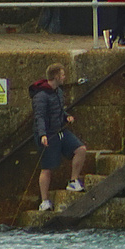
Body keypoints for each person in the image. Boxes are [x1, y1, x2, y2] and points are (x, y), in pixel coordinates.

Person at [31, 62, 88, 210]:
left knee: (80, 149)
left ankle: (73, 181)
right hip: (48, 135)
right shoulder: (41, 96)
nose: (64, 77)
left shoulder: (58, 92)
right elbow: (40, 117)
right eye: (62, 75)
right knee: (47, 168)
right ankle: (44, 201)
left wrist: (66, 117)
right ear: (56, 76)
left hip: (60, 131)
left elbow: (59, 111)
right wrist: (42, 135)